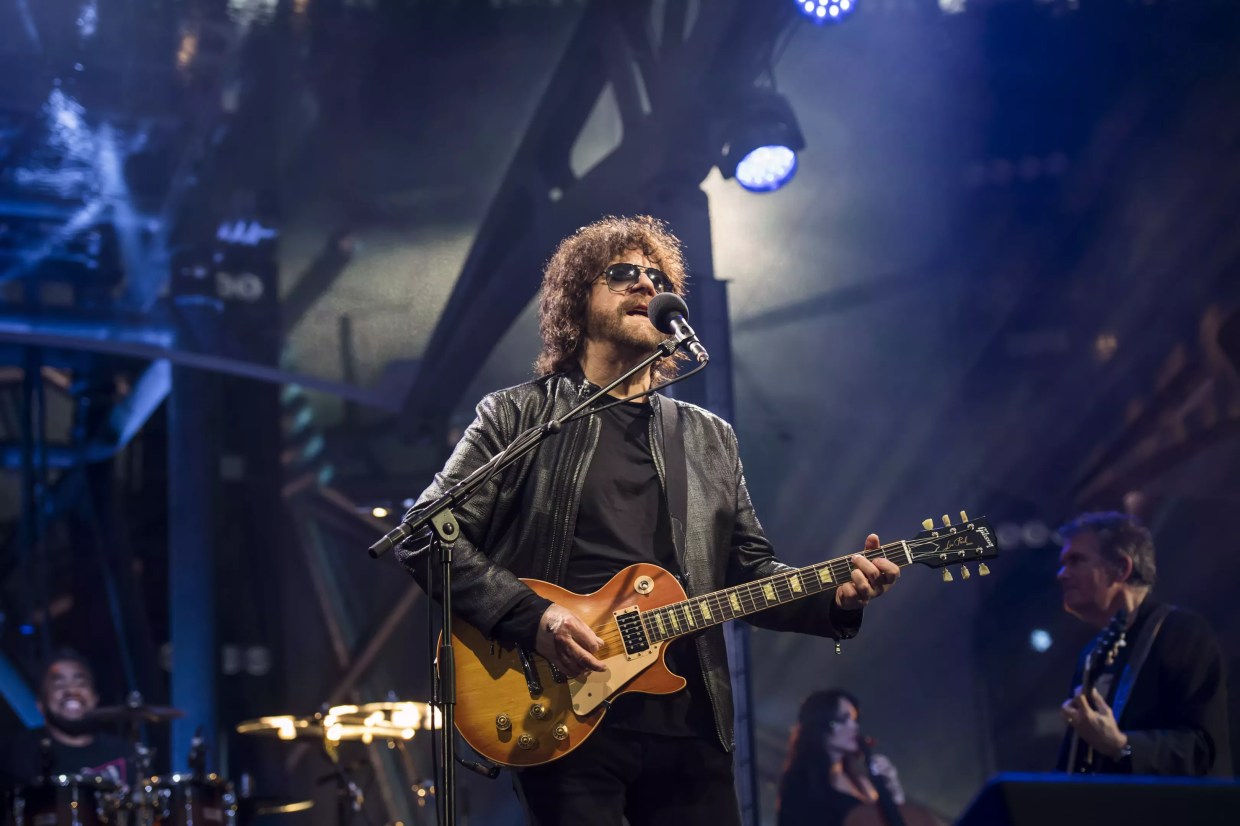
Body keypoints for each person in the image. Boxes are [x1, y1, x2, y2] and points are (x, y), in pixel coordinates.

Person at [397, 215, 901, 826]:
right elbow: (427, 532)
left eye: (657, 275)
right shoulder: (519, 414)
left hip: (690, 719)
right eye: (622, 274)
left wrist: (837, 599)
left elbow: (749, 573)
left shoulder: (708, 437)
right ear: (577, 300)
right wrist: (535, 619)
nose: (646, 284)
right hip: (562, 712)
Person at [1055, 511, 1232, 776]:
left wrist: (1121, 745)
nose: (1061, 574)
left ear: (1121, 568)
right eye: (1063, 563)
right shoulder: (1090, 656)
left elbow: (1202, 751)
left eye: (1076, 560)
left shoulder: (1181, 632)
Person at [777, 689, 943, 826]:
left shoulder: (860, 783)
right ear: (820, 726)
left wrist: (893, 790)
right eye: (843, 719)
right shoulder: (799, 785)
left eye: (854, 719)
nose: (854, 726)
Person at [0, 650, 130, 783]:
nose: (71, 691)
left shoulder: (124, 754)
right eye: (59, 685)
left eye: (81, 684)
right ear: (40, 705)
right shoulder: (16, 756)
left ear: (95, 699)